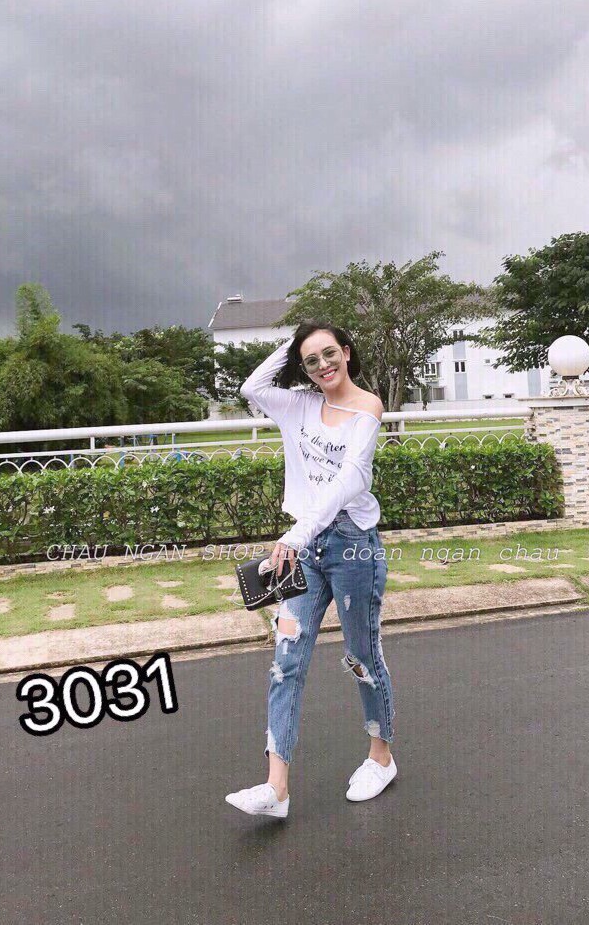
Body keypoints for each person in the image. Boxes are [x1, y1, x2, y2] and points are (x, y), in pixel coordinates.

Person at [225, 321, 397, 819]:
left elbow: (350, 480)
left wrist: (296, 535)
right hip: (304, 549)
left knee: (360, 655)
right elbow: (252, 387)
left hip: (351, 546)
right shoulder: (297, 406)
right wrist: (295, 337)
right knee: (286, 659)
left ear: (347, 352)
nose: (323, 365)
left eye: (330, 353)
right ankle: (276, 788)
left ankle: (381, 758)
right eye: (311, 360)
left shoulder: (366, 408)